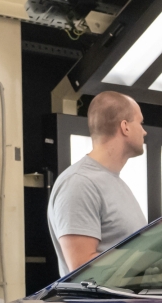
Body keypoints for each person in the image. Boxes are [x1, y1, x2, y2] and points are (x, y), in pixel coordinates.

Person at [48, 91, 147, 274]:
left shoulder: (116, 182)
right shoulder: (79, 183)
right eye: (140, 123)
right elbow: (81, 266)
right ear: (125, 127)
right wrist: (144, 258)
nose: (144, 131)